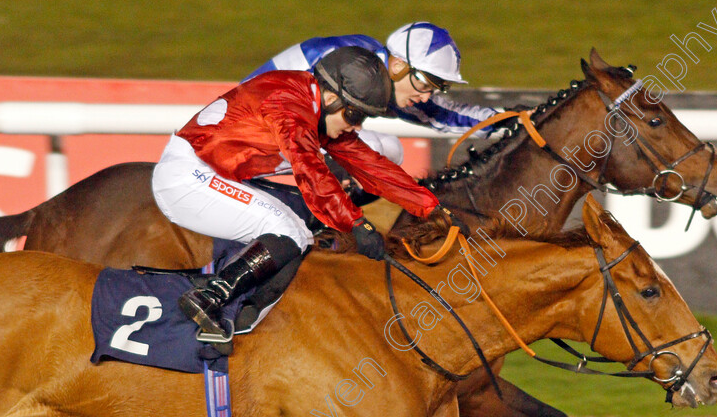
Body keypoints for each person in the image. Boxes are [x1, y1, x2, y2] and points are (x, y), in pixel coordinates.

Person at [152, 46, 460, 341]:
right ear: (331, 96)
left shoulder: (313, 103)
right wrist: (356, 223)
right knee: (289, 232)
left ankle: (244, 317)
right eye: (355, 116)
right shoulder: (289, 106)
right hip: (188, 178)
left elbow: (370, 165)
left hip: (211, 172)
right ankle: (210, 297)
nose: (357, 125)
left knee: (302, 228)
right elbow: (312, 171)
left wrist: (431, 207)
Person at [244, 22, 518, 168]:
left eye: (435, 88)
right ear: (398, 65)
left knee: (388, 150)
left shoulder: (378, 71)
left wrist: (507, 120)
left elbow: (443, 113)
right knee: (374, 150)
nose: (426, 97)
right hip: (248, 135)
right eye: (425, 84)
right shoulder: (353, 66)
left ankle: (321, 227)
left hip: (275, 134)